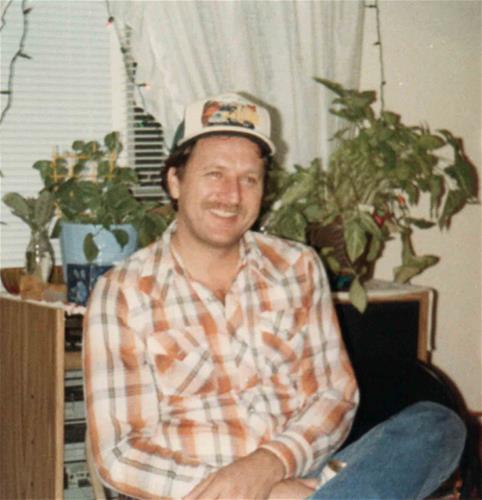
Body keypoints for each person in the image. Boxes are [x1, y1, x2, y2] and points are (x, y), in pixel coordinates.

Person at [83, 92, 466, 500]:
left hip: (302, 471)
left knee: (437, 426)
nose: (232, 195)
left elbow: (334, 396)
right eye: (215, 174)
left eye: (249, 179)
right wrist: (256, 490)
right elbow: (120, 453)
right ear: (175, 181)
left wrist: (270, 466)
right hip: (200, 492)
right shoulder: (122, 292)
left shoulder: (296, 266)